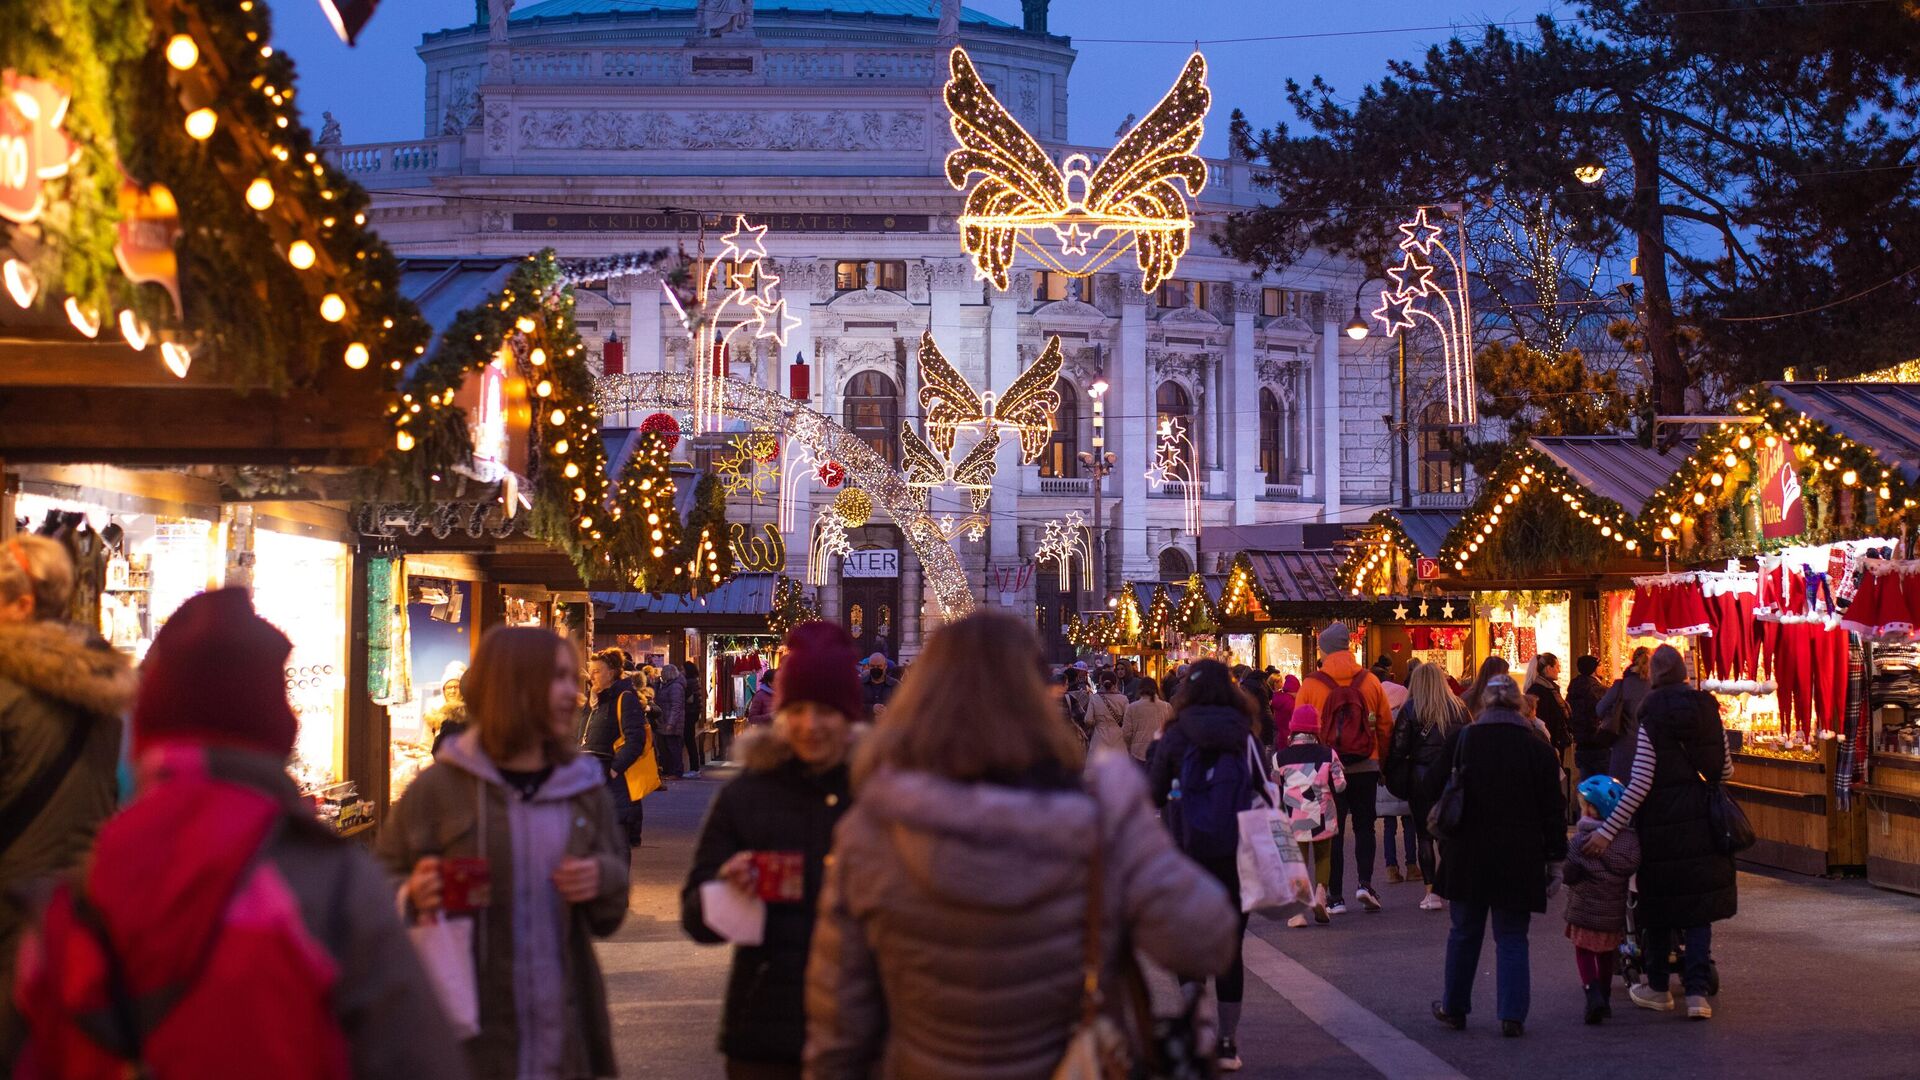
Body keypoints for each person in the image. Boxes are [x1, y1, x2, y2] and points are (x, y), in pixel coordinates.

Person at [12, 589, 469, 1078]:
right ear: (280, 728)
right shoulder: (330, 886)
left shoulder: (78, 890)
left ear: (144, 724)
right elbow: (417, 1058)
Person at [806, 614, 1237, 1077]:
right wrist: (1128, 815)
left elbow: (838, 1024)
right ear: (1036, 700)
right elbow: (1207, 942)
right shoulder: (1093, 823)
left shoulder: (873, 828)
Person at [381, 626, 630, 1080]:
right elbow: (379, 887)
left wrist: (602, 878)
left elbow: (609, 911)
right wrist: (411, 893)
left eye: (573, 678)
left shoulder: (580, 786)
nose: (572, 692)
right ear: (512, 686)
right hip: (465, 1030)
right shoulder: (439, 789)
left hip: (564, 1027)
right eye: (557, 678)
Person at [684, 623, 861, 1079]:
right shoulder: (746, 796)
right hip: (764, 1029)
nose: (810, 724)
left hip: (862, 1030)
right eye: (797, 708)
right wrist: (725, 888)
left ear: (849, 716)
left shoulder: (882, 796)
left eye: (826, 710)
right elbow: (696, 917)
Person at [0, 535, 135, 1065]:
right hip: (82, 908)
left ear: (23, 605)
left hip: (10, 913)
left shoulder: (9, 690)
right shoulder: (102, 681)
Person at [1583, 644, 1735, 1021]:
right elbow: (1726, 771)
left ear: (1656, 675)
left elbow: (1641, 781)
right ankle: (1697, 994)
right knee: (1699, 910)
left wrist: (1608, 830)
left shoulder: (1651, 714)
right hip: (1703, 822)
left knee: (1658, 906)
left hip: (1662, 825)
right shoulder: (1708, 709)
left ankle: (1658, 988)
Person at [1147, 659, 1271, 1071]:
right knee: (1230, 950)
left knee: (1188, 945)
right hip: (1234, 857)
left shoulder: (1174, 734)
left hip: (1184, 855)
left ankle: (1194, 1029)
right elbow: (1265, 793)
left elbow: (1153, 794)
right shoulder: (1244, 735)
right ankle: (1227, 1042)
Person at [1430, 674, 1567, 1038]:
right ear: (1520, 704)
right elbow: (1554, 809)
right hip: (1519, 854)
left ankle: (1454, 1007)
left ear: (1485, 703)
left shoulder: (1464, 740)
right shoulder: (1537, 748)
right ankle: (1511, 1015)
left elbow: (1434, 785)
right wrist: (1555, 860)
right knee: (1511, 937)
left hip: (1467, 853)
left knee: (1464, 932)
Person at [1294, 622, 1394, 915]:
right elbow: (1386, 726)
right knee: (1365, 826)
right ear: (1348, 647)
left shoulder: (1312, 684)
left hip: (1327, 767)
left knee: (1332, 832)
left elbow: (1299, 733)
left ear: (1323, 649)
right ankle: (1364, 883)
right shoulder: (1370, 681)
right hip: (1365, 764)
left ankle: (1335, 896)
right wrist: (1381, 762)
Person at [1388, 663, 1470, 912]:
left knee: (1424, 835)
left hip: (1421, 777)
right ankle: (1455, 885)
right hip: (1452, 777)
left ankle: (1431, 892)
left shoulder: (1411, 709)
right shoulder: (1459, 707)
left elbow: (1398, 748)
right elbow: (1469, 740)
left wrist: (1390, 773)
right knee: (1451, 831)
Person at [1563, 775, 1641, 1025]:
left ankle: (1591, 990)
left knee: (1584, 952)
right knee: (1607, 954)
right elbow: (1632, 865)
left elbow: (1569, 872)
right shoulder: (1628, 842)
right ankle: (1605, 995)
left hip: (1584, 911)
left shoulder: (1580, 842)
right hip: (1612, 912)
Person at [1273, 703, 1344, 928]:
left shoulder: (1280, 757)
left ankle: (1297, 913)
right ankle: (1321, 893)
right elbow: (1341, 785)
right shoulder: (1328, 753)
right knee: (1324, 855)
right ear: (1316, 729)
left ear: (1293, 729)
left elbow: (1274, 785)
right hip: (1323, 812)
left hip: (1295, 814)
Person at [584, 647, 652, 846]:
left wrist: (614, 770)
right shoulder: (595, 700)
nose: (591, 676)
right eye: (591, 671)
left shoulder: (625, 698)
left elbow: (635, 740)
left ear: (611, 673)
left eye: (597, 671)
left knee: (616, 845)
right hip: (592, 780)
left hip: (614, 783)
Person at [1597, 646, 1653, 779]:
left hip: (1623, 749)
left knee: (1622, 792)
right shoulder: (1656, 687)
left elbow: (1599, 709)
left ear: (1632, 661)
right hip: (1649, 751)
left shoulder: (1621, 685)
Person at [1566, 655, 1612, 781]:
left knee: (1586, 783)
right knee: (1602, 785)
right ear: (1593, 669)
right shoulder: (1598, 690)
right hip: (1598, 744)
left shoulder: (1573, 689)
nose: (1603, 668)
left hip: (1581, 743)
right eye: (1600, 665)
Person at [1523, 652, 1572, 755]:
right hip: (1548, 743)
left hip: (1555, 741)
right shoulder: (1539, 691)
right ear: (1549, 668)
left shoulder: (1550, 689)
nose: (1559, 670)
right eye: (1557, 667)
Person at [1121, 676, 1172, 765]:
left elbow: (1126, 733)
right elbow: (1171, 730)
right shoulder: (1166, 707)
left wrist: (1130, 747)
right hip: (1160, 750)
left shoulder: (1132, 707)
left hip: (1138, 752)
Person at [653, 660, 688, 779]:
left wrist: (671, 723)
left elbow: (676, 706)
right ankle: (668, 771)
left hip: (671, 723)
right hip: (665, 721)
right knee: (666, 748)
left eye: (663, 672)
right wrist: (657, 684)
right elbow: (656, 699)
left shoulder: (675, 687)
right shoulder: (668, 685)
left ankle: (676, 772)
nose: (661, 674)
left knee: (673, 748)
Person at [1083, 672, 1129, 753]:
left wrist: (1097, 722)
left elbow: (1088, 720)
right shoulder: (1123, 699)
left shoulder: (1094, 698)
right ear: (1116, 682)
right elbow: (1128, 720)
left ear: (1101, 683)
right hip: (1118, 736)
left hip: (1099, 737)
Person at [682, 659, 707, 777]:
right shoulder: (695, 681)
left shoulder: (689, 682)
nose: (681, 672)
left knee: (689, 740)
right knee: (689, 739)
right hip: (694, 713)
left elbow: (689, 699)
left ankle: (694, 768)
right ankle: (694, 768)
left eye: (682, 669)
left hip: (690, 713)